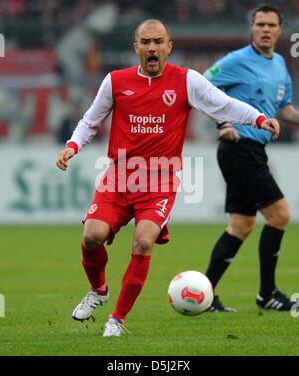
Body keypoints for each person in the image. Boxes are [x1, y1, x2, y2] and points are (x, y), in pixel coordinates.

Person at [56, 19, 279, 336]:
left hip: (159, 181)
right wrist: (72, 146)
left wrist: (257, 118)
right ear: (136, 47)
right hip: (118, 178)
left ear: (169, 46)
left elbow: (223, 104)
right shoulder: (116, 81)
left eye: (158, 42)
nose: (152, 48)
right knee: (91, 237)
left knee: (143, 241)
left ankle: (116, 320)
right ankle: (99, 290)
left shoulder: (187, 81)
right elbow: (91, 120)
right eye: (145, 42)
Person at [204, 5, 299, 312]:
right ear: (252, 28)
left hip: (254, 150)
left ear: (280, 30)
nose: (265, 29)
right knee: (280, 215)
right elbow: (200, 88)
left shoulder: (280, 64)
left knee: (241, 225)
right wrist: (223, 123)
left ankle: (205, 296)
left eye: (271, 24)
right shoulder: (237, 60)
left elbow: (283, 108)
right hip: (238, 148)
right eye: (260, 24)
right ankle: (267, 293)